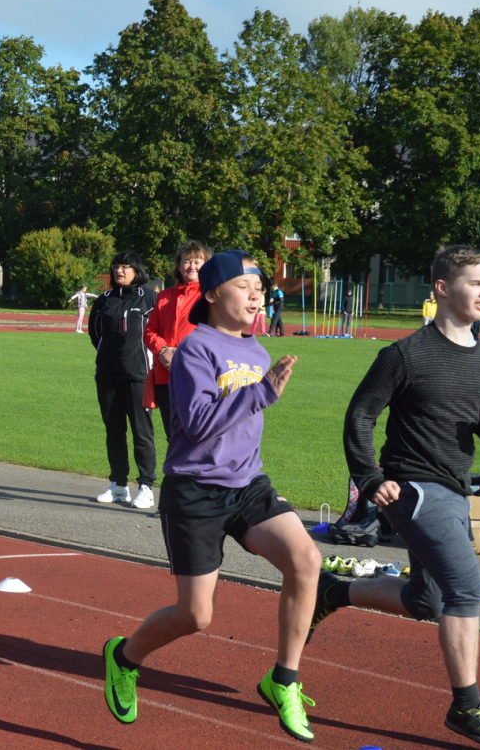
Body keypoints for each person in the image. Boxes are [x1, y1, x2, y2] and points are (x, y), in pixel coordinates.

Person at [313, 245, 480, 747]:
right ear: (442, 289)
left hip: (456, 489)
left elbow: (479, 424)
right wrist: (369, 478)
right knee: (467, 592)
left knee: (427, 598)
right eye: (476, 282)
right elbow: (359, 416)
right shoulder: (404, 354)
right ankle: (466, 707)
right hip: (412, 490)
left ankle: (333, 592)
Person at [103, 250, 316, 742]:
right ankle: (124, 656)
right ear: (215, 293)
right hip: (194, 490)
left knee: (306, 561)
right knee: (196, 616)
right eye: (246, 285)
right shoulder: (197, 349)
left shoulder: (259, 351)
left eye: (260, 287)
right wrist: (260, 394)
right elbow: (196, 426)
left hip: (247, 485)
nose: (257, 294)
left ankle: (283, 679)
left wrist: (260, 392)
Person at [91, 251, 157, 509]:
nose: (119, 270)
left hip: (138, 375)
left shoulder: (150, 297)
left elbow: (155, 332)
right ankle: (118, 485)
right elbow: (96, 334)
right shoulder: (104, 300)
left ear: (137, 270)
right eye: (116, 266)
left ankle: (146, 486)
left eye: (126, 266)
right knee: (114, 432)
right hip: (107, 375)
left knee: (142, 433)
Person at [145, 241, 209, 446]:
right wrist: (163, 350)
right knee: (172, 435)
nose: (191, 266)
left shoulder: (211, 296)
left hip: (196, 374)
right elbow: (150, 331)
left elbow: (213, 333)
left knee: (197, 434)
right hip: (165, 376)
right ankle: (177, 477)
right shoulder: (164, 296)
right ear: (179, 266)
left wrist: (181, 355)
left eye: (197, 261)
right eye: (186, 261)